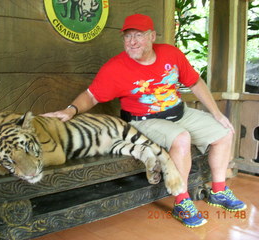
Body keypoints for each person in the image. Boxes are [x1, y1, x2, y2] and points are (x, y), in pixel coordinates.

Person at [41, 14, 246, 227]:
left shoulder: (170, 54)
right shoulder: (115, 67)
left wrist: (217, 113)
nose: (132, 42)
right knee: (181, 139)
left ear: (152, 36)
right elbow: (92, 95)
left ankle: (219, 191)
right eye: (128, 37)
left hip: (180, 112)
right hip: (143, 120)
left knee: (224, 132)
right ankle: (182, 202)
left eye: (138, 36)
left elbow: (195, 82)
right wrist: (71, 110)